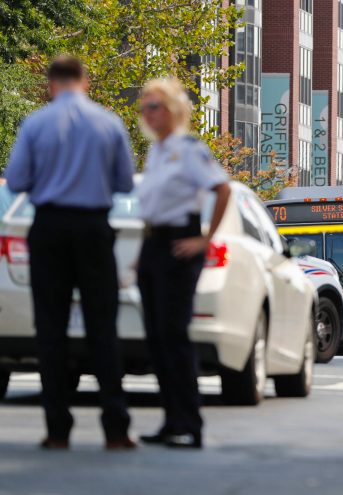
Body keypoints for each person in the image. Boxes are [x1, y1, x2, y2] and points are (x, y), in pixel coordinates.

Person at [5, 56, 136, 450]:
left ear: (51, 84)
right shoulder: (108, 122)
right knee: (102, 326)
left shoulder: (35, 123)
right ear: (86, 81)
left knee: (50, 328)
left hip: (48, 228)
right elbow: (126, 183)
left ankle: (57, 429)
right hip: (94, 228)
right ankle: (115, 428)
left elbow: (17, 179)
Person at [135, 78, 232, 449]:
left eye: (154, 105)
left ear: (174, 109)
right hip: (153, 245)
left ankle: (190, 422)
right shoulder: (156, 151)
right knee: (156, 338)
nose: (147, 112)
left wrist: (205, 238)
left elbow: (221, 188)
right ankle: (170, 418)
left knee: (174, 335)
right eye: (144, 106)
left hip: (180, 243)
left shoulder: (189, 149)